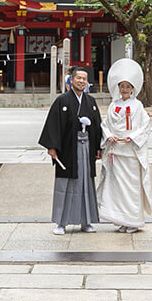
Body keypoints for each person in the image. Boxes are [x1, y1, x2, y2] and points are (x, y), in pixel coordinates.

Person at [38, 65, 103, 234]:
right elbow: (53, 124)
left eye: (84, 79)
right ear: (71, 80)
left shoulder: (91, 101)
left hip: (87, 147)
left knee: (85, 184)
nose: (81, 81)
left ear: (87, 82)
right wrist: (52, 147)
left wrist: (98, 147)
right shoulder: (63, 100)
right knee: (64, 184)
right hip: (67, 148)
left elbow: (97, 125)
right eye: (78, 78)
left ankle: (86, 221)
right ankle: (61, 223)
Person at [96, 57, 152, 233]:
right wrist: (109, 136)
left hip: (131, 153)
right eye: (122, 86)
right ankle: (121, 220)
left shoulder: (138, 106)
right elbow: (105, 124)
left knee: (132, 187)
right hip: (116, 152)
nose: (125, 89)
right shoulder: (114, 105)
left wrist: (133, 137)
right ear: (118, 88)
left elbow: (145, 125)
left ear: (133, 88)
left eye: (128, 86)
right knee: (117, 188)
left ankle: (133, 221)